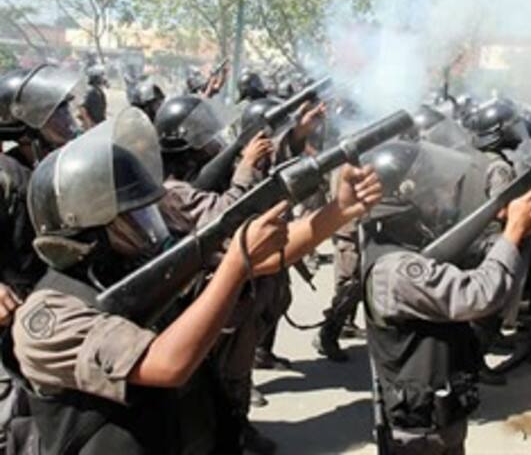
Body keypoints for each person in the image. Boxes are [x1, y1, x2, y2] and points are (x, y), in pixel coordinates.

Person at [8, 107, 383, 454]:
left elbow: (261, 257)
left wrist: (339, 211)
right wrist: (234, 266)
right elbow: (167, 365)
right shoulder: (49, 316)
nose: (149, 228)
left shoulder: (136, 270)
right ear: (89, 232)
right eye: (133, 219)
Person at [362, 140, 531, 454]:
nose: (441, 197)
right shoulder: (396, 269)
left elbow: (470, 255)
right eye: (431, 190)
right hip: (420, 431)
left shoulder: (398, 239)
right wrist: (513, 231)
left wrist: (517, 231)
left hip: (436, 416)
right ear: (406, 197)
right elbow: (479, 295)